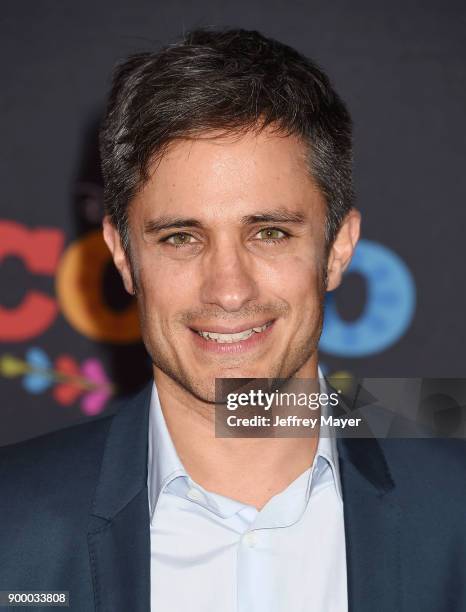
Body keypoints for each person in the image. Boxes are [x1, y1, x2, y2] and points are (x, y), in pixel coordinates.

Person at [1, 27, 465, 612]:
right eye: (180, 237)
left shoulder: (455, 511)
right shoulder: (10, 526)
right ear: (122, 256)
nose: (228, 290)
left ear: (339, 247)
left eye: (269, 233)